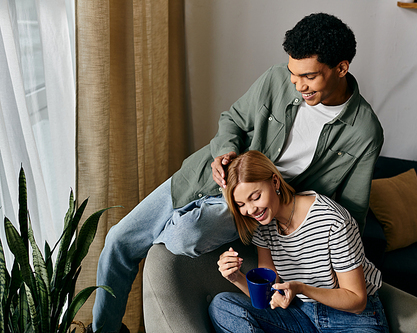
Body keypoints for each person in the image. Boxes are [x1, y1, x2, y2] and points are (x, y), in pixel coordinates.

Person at [89, 12, 384, 333]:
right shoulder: (274, 80)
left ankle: (184, 220)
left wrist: (329, 265)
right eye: (293, 74)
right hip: (205, 177)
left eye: (309, 77)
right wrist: (225, 151)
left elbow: (353, 208)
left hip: (257, 202)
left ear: (341, 68)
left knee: (185, 235)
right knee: (118, 240)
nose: (298, 85)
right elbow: (233, 120)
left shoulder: (364, 130)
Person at [210, 150, 389, 332]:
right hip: (301, 314)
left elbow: (357, 300)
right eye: (241, 205)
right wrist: (236, 277)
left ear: (275, 181)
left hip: (351, 319)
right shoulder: (264, 227)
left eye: (255, 197)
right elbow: (269, 294)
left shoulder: (333, 221)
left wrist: (302, 289)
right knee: (222, 305)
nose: (251, 210)